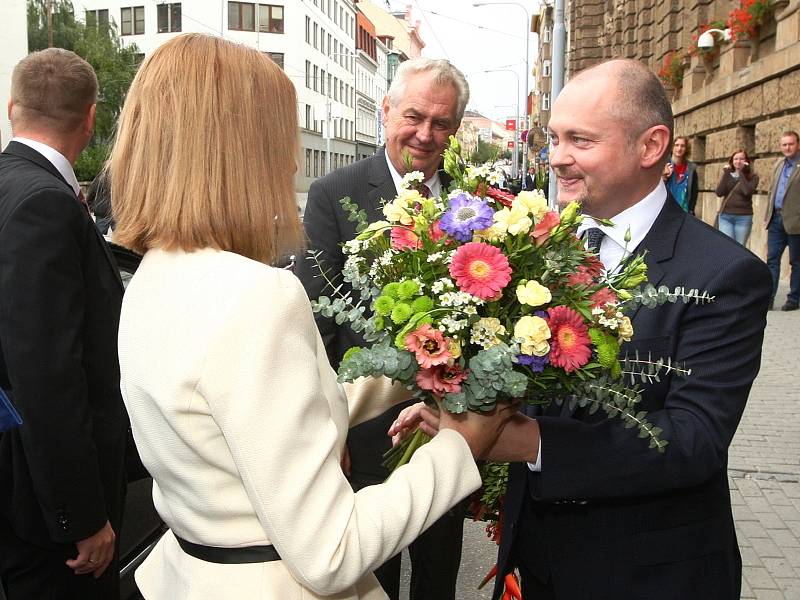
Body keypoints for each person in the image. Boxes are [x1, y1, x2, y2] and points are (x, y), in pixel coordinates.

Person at [110, 34, 510, 600]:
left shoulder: (155, 276)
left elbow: (254, 413)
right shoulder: (256, 294)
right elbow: (331, 551)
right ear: (241, 153)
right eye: (281, 138)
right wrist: (461, 445)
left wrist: (416, 370)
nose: (294, 159)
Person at [395, 58, 772, 600]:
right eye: (553, 138)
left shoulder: (723, 274)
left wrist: (524, 442)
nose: (558, 158)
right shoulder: (541, 249)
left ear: (651, 146)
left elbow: (693, 440)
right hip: (539, 561)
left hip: (648, 576)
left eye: (580, 141)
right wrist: (459, 403)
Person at [296, 57, 470, 600]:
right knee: (375, 581)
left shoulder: (477, 207)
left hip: (449, 428)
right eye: (414, 116)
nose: (425, 134)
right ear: (387, 111)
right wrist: (330, 434)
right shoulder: (333, 194)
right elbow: (317, 323)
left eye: (442, 123)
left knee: (440, 574)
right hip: (368, 432)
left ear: (456, 130)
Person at [0, 49, 128, 599]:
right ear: (91, 117)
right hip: (51, 517)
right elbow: (49, 379)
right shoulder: (46, 204)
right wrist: (82, 517)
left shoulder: (11, 185)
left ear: (12, 108)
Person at [764, 130, 800, 311]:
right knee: (772, 260)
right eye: (784, 144)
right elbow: (772, 191)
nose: (787, 147)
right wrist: (767, 217)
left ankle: (793, 299)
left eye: (790, 144)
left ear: (798, 144)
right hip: (776, 220)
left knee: (796, 262)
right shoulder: (778, 164)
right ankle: (769, 298)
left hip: (796, 222)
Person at [715, 149, 759, 246]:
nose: (738, 161)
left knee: (740, 247)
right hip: (726, 216)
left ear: (746, 161)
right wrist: (726, 174)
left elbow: (747, 192)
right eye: (736, 159)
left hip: (743, 217)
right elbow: (719, 192)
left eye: (741, 159)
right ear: (732, 161)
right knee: (727, 245)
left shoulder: (753, 177)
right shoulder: (727, 174)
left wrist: (742, 173)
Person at [662, 135, 698, 214]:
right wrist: (664, 176)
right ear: (672, 147)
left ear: (686, 149)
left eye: (682, 146)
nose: (679, 148)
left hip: (683, 211)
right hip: (665, 209)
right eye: (677, 145)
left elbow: (694, 192)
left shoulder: (691, 168)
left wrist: (691, 209)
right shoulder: (663, 165)